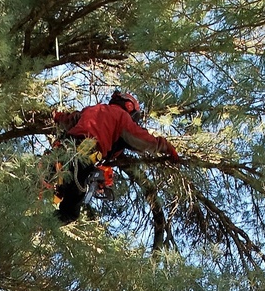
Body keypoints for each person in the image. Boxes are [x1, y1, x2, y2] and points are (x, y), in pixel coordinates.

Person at [50, 91, 179, 223]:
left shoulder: (92, 109)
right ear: (129, 107)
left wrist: (57, 116)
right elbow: (141, 139)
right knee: (69, 213)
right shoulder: (121, 116)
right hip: (82, 159)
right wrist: (165, 146)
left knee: (42, 179)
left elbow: (69, 120)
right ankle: (38, 225)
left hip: (62, 151)